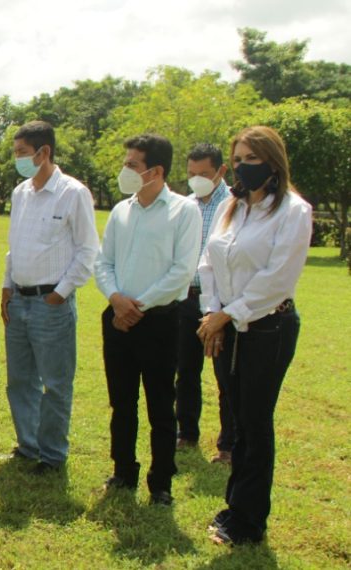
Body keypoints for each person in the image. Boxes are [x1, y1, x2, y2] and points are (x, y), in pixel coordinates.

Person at [197, 126, 311, 546]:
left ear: (272, 162)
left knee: (255, 423)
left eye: (249, 158)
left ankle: (248, 521)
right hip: (225, 325)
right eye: (238, 158)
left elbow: (276, 279)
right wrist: (212, 312)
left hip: (267, 328)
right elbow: (209, 260)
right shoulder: (232, 206)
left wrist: (227, 315)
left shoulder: (294, 212)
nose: (242, 166)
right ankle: (234, 506)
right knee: (236, 419)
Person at [95, 134, 201, 506]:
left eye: (132, 165)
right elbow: (103, 262)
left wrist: (136, 306)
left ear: (155, 171)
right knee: (121, 402)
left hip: (159, 320)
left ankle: (161, 484)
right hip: (118, 318)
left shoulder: (184, 211)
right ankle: (123, 470)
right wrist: (116, 300)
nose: (125, 171)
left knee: (160, 404)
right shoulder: (122, 211)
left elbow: (181, 271)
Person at [2, 120, 99, 473]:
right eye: (16, 154)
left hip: (50, 304)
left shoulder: (73, 193)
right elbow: (14, 247)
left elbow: (88, 250)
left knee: (55, 384)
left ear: (44, 153)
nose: (18, 160)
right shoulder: (21, 193)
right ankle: (29, 445)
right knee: (20, 381)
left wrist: (59, 294)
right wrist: (5, 288)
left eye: (23, 153)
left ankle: (52, 455)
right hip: (19, 300)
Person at [178, 143, 234, 464]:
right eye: (191, 174)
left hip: (219, 301)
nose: (196, 179)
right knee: (185, 370)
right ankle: (186, 433)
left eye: (204, 174)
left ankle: (228, 444)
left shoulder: (233, 206)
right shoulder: (185, 206)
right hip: (186, 299)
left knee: (224, 376)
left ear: (221, 172)